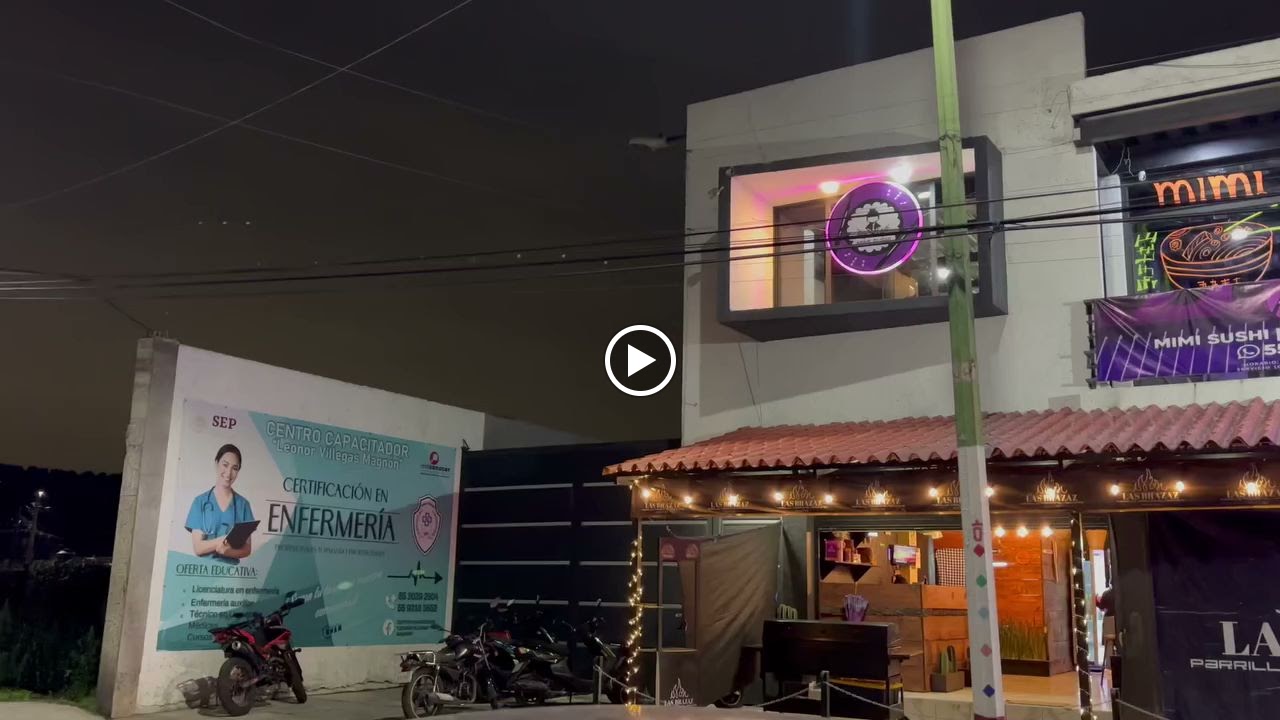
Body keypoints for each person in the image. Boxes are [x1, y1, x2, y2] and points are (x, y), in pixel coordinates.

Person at [185, 444, 255, 563]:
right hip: (204, 570)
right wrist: (221, 540)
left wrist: (228, 551)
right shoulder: (200, 502)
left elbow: (247, 549)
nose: (229, 472)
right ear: (216, 463)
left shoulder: (243, 505)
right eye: (225, 465)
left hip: (231, 572)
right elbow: (198, 548)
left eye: (235, 468)